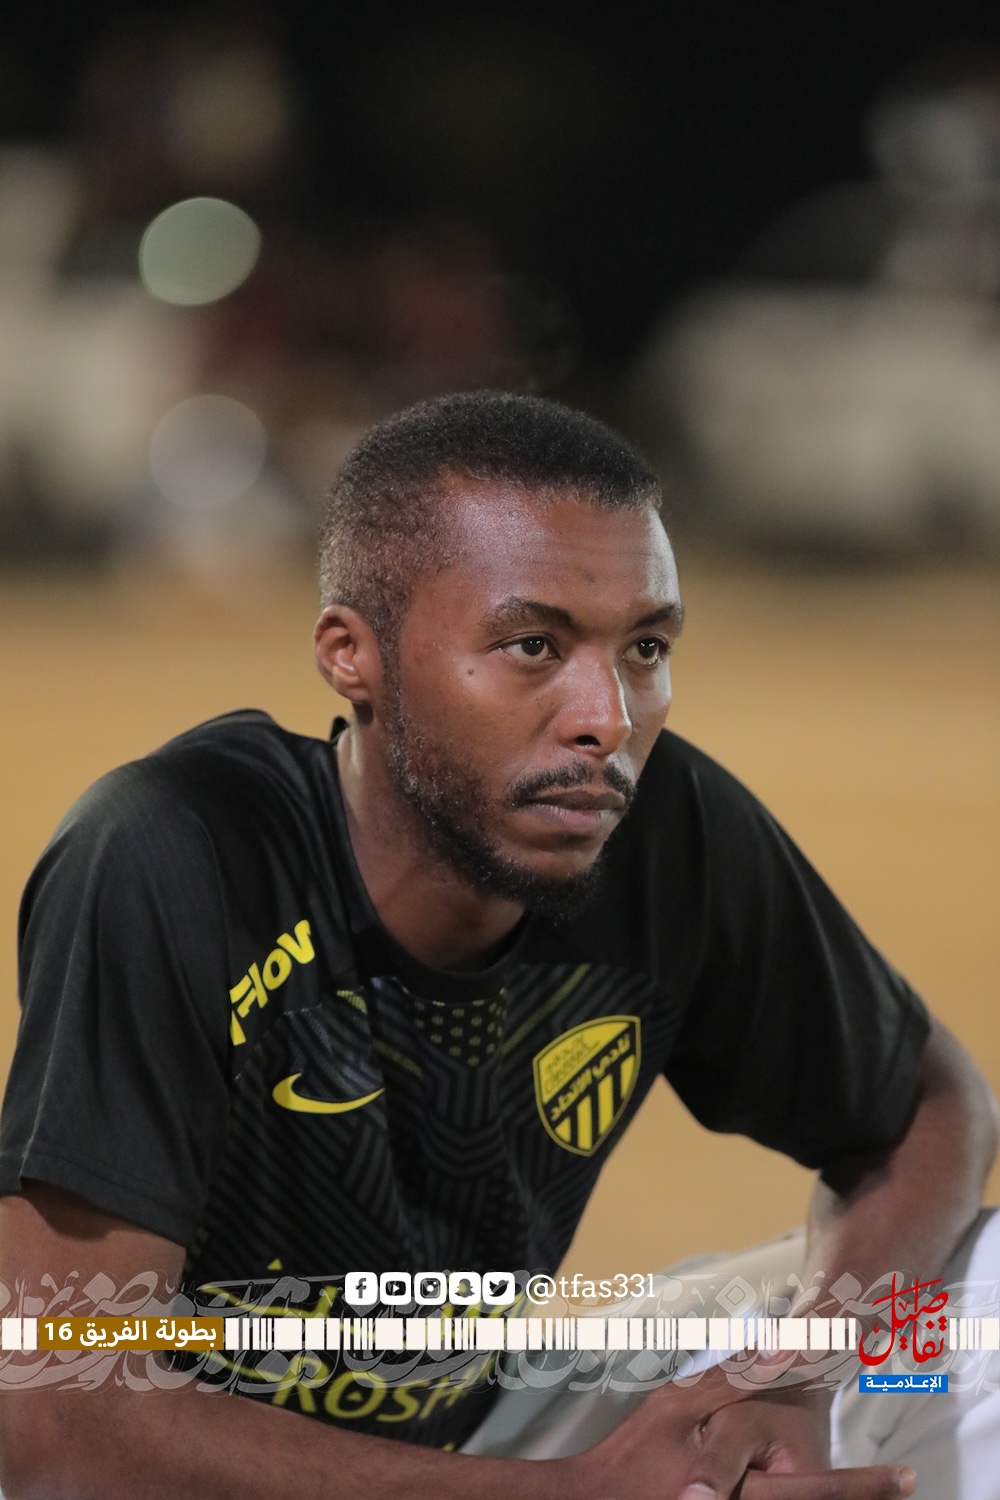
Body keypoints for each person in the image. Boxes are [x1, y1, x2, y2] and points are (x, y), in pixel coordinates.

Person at [0, 391, 995, 1500]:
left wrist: (793, 1376)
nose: (608, 717)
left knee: (982, 1298)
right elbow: (57, 1424)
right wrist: (578, 1496)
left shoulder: (660, 829)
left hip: (490, 1431)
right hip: (197, 1472)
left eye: (647, 647)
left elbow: (931, 1106)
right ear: (352, 655)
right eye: (533, 645)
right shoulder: (180, 850)